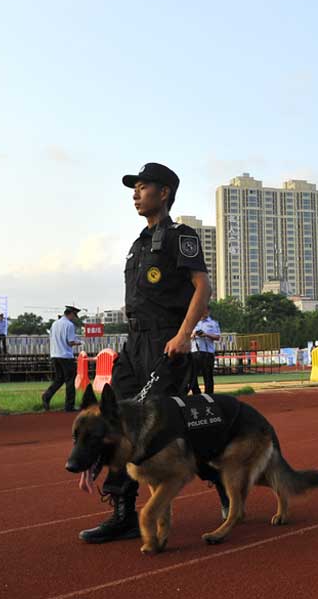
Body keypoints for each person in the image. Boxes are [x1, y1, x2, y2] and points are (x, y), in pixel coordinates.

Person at [78, 162, 216, 545]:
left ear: (164, 192)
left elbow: (202, 287)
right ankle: (123, 512)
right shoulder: (139, 243)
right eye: (134, 189)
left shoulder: (180, 237)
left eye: (142, 187)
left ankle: (217, 478)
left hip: (164, 343)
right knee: (117, 422)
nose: (135, 195)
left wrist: (183, 334)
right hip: (134, 343)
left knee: (161, 429)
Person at [44, 306, 83, 411]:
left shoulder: (54, 324)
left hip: (55, 355)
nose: (74, 318)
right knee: (70, 381)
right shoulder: (69, 325)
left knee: (59, 379)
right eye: (74, 316)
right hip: (66, 356)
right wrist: (79, 342)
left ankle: (47, 396)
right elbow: (70, 342)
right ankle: (69, 406)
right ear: (71, 314)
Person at [189, 305, 221, 395]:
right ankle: (197, 394)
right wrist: (193, 335)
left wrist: (206, 335)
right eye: (203, 310)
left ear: (209, 311)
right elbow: (187, 336)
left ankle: (209, 396)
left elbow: (217, 337)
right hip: (194, 352)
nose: (205, 312)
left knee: (208, 376)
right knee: (192, 377)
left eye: (207, 310)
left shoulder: (213, 323)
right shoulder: (193, 322)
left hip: (208, 352)